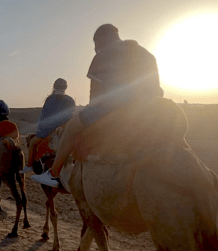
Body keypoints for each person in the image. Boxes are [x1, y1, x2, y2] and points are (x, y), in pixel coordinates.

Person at [31, 24, 164, 187]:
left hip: (116, 108)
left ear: (100, 39)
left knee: (72, 127)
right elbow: (157, 90)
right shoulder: (146, 54)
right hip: (151, 109)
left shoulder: (104, 54)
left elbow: (95, 98)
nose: (95, 48)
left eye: (95, 44)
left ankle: (53, 174)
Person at [20, 78, 75, 174]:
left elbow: (44, 118)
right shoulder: (70, 100)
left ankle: (30, 165)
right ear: (65, 87)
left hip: (48, 132)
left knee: (33, 142)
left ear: (54, 86)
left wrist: (41, 131)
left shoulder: (50, 99)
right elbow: (71, 116)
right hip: (65, 131)